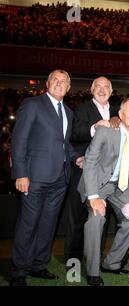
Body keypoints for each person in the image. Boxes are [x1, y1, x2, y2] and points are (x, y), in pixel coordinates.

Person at [10, 69, 83, 286]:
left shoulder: (68, 112)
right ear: (48, 83)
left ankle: (38, 265)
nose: (59, 84)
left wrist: (77, 158)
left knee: (48, 224)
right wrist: (21, 173)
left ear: (69, 88)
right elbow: (19, 141)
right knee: (28, 224)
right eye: (55, 80)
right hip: (34, 178)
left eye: (64, 82)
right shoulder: (32, 105)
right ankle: (18, 271)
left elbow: (63, 144)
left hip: (60, 179)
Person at [78, 98, 129, 286]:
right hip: (98, 183)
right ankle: (93, 272)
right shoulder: (105, 131)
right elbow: (90, 162)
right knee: (96, 218)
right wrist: (93, 197)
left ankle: (112, 263)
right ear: (120, 114)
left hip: (122, 185)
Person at [65, 76, 119, 262]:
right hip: (82, 170)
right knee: (78, 217)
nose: (102, 90)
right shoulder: (81, 109)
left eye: (106, 87)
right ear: (91, 89)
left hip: (107, 174)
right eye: (98, 86)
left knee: (102, 216)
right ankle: (74, 259)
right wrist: (96, 126)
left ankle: (95, 256)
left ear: (111, 91)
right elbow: (74, 134)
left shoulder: (117, 111)